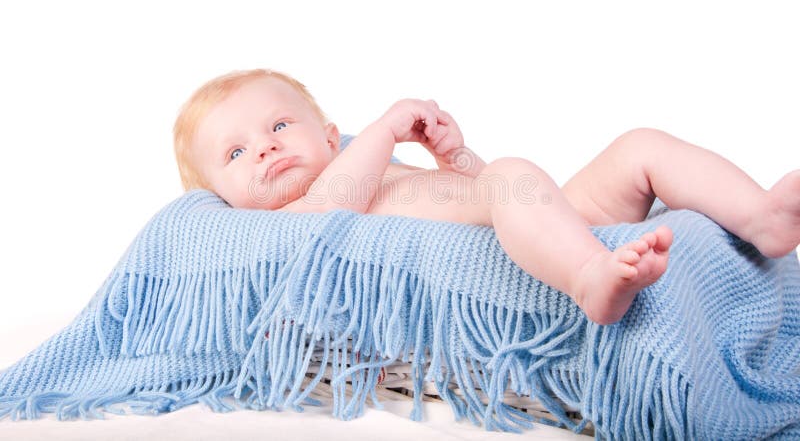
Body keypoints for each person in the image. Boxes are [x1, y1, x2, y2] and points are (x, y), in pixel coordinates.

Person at [174, 69, 800, 325]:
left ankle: (762, 217)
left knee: (638, 145)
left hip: (538, 212)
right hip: (526, 235)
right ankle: (589, 278)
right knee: (510, 173)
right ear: (218, 198)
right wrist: (390, 129)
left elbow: (476, 191)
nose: (263, 148)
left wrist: (453, 158)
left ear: (331, 137)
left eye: (279, 126)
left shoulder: (369, 162)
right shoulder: (287, 221)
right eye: (235, 154)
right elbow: (336, 204)